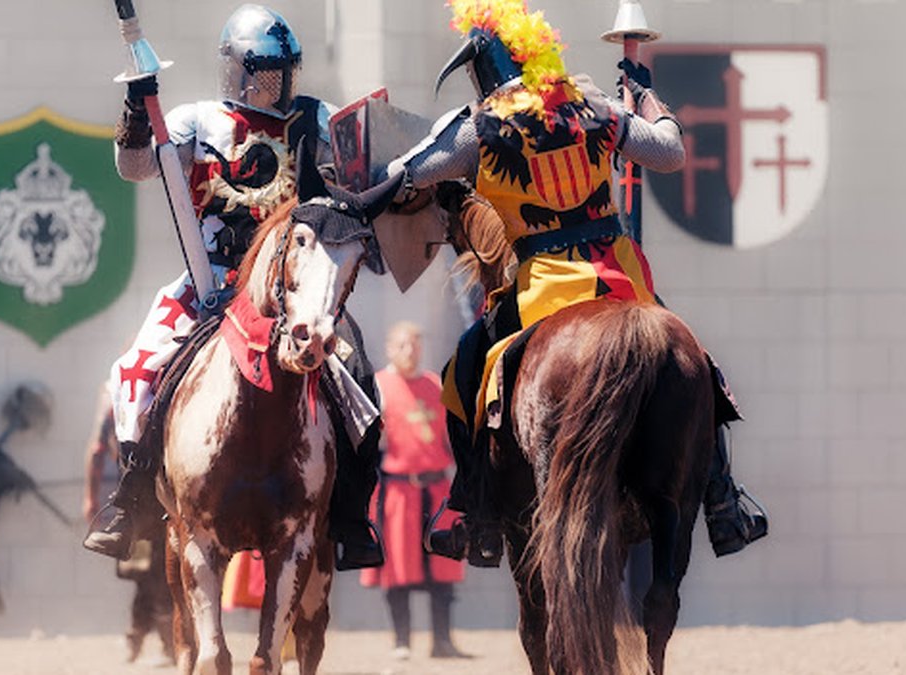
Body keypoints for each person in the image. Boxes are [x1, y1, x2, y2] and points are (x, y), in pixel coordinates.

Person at [383, 0, 767, 567]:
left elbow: (408, 172)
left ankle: (474, 512)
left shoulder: (480, 129)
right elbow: (668, 152)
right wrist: (647, 99)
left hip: (543, 289)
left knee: (463, 371)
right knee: (697, 369)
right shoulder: (594, 106)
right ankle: (723, 501)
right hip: (619, 279)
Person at [83, 3, 384, 572]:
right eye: (268, 72)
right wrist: (136, 110)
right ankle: (134, 496)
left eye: (286, 72)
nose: (281, 84)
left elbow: (361, 173)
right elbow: (137, 167)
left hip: (293, 288)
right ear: (239, 70)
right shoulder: (199, 122)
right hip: (211, 279)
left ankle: (350, 512)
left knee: (360, 378)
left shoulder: (316, 121)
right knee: (137, 370)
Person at [360, 322, 469, 660]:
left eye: (415, 345)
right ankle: (402, 641)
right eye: (403, 345)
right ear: (391, 348)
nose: (410, 352)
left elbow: (451, 439)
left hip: (436, 488)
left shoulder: (435, 385)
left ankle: (442, 642)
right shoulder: (378, 387)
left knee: (443, 566)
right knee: (398, 568)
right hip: (398, 491)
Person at [82, 390, 175, 665]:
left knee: (152, 572)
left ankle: (142, 637)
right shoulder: (120, 392)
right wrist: (90, 497)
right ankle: (158, 640)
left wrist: (91, 497)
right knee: (152, 572)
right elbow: (97, 450)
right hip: (147, 500)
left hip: (148, 499)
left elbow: (97, 451)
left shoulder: (124, 389)